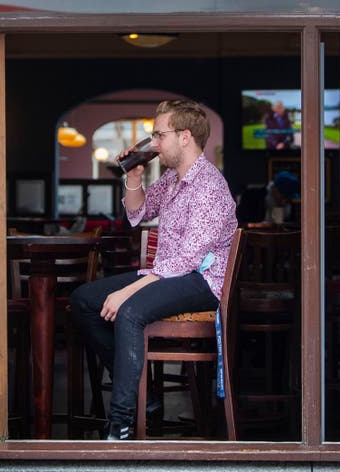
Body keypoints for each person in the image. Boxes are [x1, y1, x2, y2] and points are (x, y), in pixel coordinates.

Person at [70, 99, 237, 441]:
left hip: (201, 280)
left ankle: (121, 424)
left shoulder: (209, 186)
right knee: (84, 299)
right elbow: (140, 212)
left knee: (129, 310)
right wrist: (133, 175)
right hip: (170, 273)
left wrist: (129, 291)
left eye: (159, 135)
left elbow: (187, 260)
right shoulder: (174, 179)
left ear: (185, 137)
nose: (154, 143)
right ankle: (146, 399)